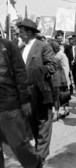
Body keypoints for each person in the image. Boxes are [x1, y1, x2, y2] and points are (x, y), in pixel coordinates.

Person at [18, 19, 57, 165]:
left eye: (21, 32)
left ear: (29, 32)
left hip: (40, 91)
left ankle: (40, 156)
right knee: (32, 123)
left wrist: (37, 73)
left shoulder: (43, 46)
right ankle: (38, 152)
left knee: (43, 123)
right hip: (26, 93)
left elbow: (52, 65)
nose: (19, 35)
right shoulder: (20, 48)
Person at [0, 37, 42, 168]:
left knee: (18, 144)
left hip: (9, 104)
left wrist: (24, 101)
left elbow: (20, 73)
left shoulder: (7, 46)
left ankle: (35, 164)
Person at [49, 41, 70, 121]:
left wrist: (66, 80)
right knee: (57, 96)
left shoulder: (61, 55)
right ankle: (65, 109)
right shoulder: (51, 54)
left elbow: (66, 67)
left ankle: (57, 112)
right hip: (53, 78)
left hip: (60, 78)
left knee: (61, 95)